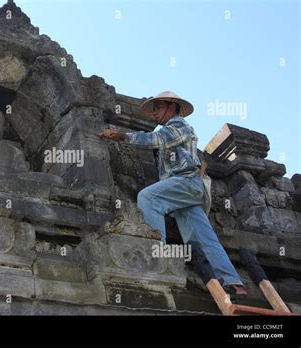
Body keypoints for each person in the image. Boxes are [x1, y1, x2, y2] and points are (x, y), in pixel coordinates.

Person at [99, 91, 246, 296]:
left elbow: (156, 139)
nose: (154, 114)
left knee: (148, 198)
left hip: (186, 182)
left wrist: (121, 135)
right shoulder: (173, 130)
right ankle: (232, 282)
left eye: (157, 108)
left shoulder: (179, 126)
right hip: (183, 191)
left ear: (172, 107)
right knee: (202, 236)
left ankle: (158, 256)